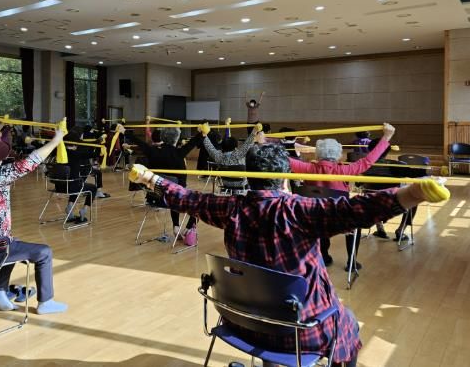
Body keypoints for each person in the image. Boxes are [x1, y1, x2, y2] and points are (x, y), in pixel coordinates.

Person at [129, 143, 447, 367]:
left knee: (276, 308)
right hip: (302, 332)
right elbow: (355, 209)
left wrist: (149, 178)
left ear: (249, 175)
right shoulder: (296, 210)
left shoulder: (230, 208)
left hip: (244, 324)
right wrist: (412, 192)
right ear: (284, 177)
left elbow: (187, 198)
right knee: (348, 320)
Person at [0, 115, 67, 313]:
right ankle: (46, 302)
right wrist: (56, 140)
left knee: (11, 242)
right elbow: (30, 161)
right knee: (44, 252)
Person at [287, 124, 395, 270]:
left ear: (317, 154)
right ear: (338, 155)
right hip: (340, 218)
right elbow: (367, 161)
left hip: (314, 218)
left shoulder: (308, 168)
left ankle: (324, 255)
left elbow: (285, 160)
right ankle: (351, 261)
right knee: (354, 223)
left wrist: (261, 142)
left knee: (321, 216)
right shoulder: (343, 169)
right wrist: (386, 136)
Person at [121, 124, 202, 245]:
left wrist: (124, 131)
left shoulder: (152, 151)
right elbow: (193, 142)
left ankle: (176, 226)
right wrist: (202, 133)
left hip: (154, 198)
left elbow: (139, 142)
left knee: (172, 190)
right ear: (176, 138)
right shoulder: (179, 153)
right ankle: (187, 229)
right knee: (197, 199)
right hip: (174, 200)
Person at [202, 125, 258, 193]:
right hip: (242, 185)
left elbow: (209, 147)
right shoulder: (239, 154)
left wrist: (204, 134)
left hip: (226, 185)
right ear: (235, 146)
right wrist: (255, 130)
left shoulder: (218, 156)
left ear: (222, 146)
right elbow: (248, 144)